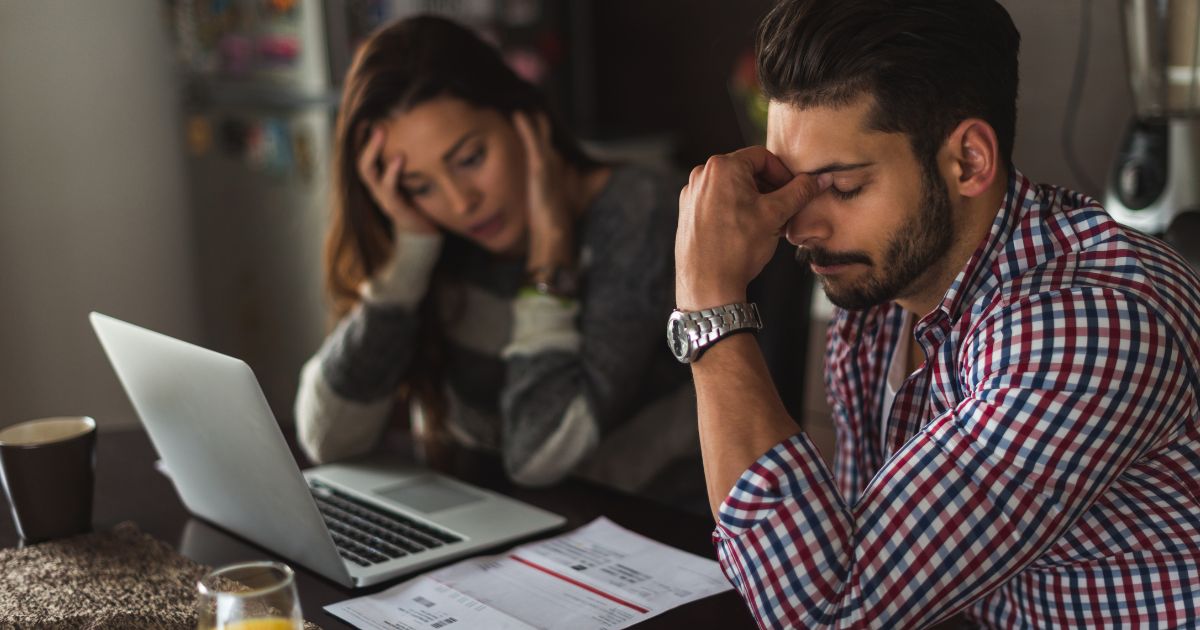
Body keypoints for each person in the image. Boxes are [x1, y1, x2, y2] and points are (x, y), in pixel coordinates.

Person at [673, 0, 1200, 627]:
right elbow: (852, 553)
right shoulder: (878, 293)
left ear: (969, 161)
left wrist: (710, 305)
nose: (800, 228)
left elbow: (831, 611)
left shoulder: (1090, 324)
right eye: (789, 184)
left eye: (841, 187)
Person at [295, 15, 698, 498]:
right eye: (419, 186)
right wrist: (409, 258)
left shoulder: (638, 212)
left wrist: (550, 258)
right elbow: (327, 438)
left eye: (469, 159)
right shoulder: (440, 237)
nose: (460, 203)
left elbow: (539, 455)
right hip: (498, 525)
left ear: (523, 116)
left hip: (644, 534)